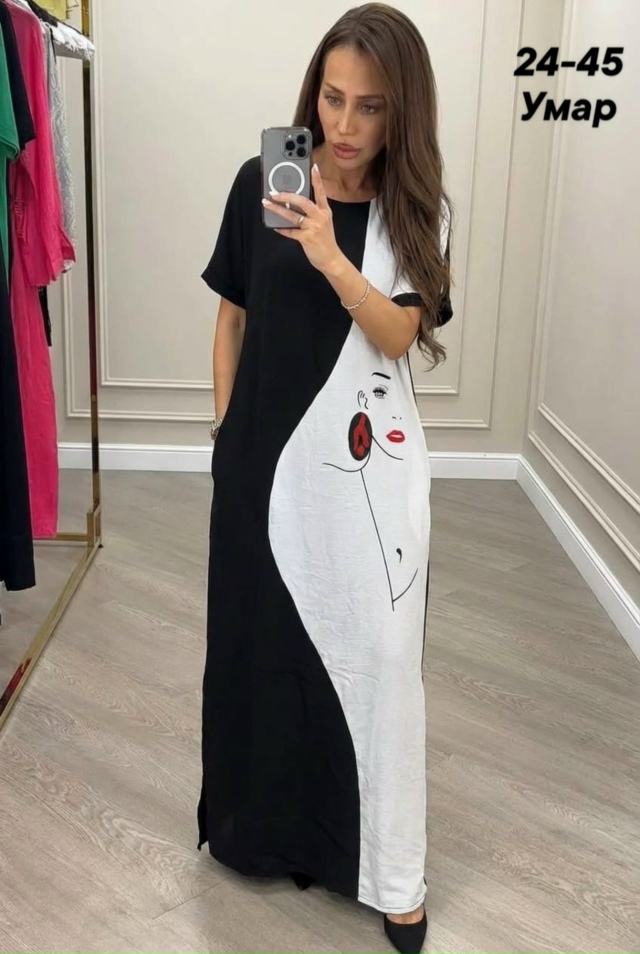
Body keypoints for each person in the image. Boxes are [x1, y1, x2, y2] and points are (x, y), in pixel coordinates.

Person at [197, 4, 453, 952]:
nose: (343, 126)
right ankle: (261, 832)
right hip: (261, 466)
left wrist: (331, 257)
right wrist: (227, 431)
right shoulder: (259, 183)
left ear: (401, 114)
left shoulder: (414, 209)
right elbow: (231, 316)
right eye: (331, 99)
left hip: (369, 472)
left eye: (369, 107)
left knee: (381, 666)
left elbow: (401, 333)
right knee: (260, 647)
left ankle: (392, 874)